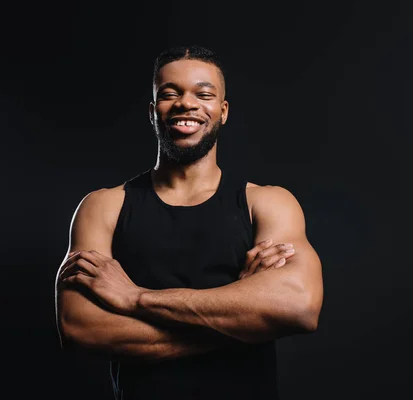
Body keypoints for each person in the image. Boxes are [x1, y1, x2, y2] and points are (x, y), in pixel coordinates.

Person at [54, 45, 323, 400]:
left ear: (222, 111)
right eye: (170, 94)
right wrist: (242, 315)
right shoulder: (103, 206)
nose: (187, 103)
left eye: (204, 93)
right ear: (153, 112)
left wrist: (136, 298)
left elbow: (299, 307)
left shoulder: (268, 203)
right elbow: (80, 328)